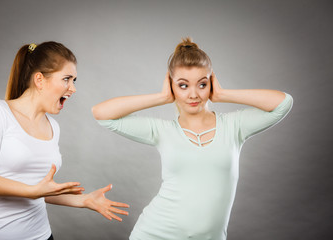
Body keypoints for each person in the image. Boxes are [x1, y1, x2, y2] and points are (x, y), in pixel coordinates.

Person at [92, 37, 293, 240]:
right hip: (156, 233)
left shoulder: (234, 126)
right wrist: (161, 97)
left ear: (211, 83)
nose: (193, 94)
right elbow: (101, 113)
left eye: (202, 84)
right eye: (183, 85)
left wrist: (222, 94)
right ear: (172, 86)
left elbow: (283, 103)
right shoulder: (162, 131)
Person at [0, 41, 129, 240]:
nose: (72, 88)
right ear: (39, 80)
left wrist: (84, 200)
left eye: (74, 80)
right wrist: (32, 191)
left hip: (41, 235)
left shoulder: (53, 127)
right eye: (66, 79)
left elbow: (41, 190)